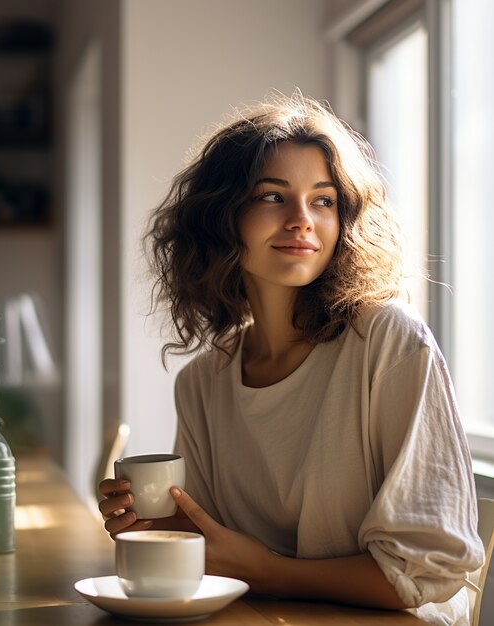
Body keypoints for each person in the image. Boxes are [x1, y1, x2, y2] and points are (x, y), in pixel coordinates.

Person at [98, 92, 484, 624]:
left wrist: (269, 570)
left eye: (323, 200)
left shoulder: (389, 341)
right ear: (222, 217)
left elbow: (426, 571)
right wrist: (158, 529)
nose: (303, 219)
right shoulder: (203, 382)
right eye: (274, 197)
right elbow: (215, 549)